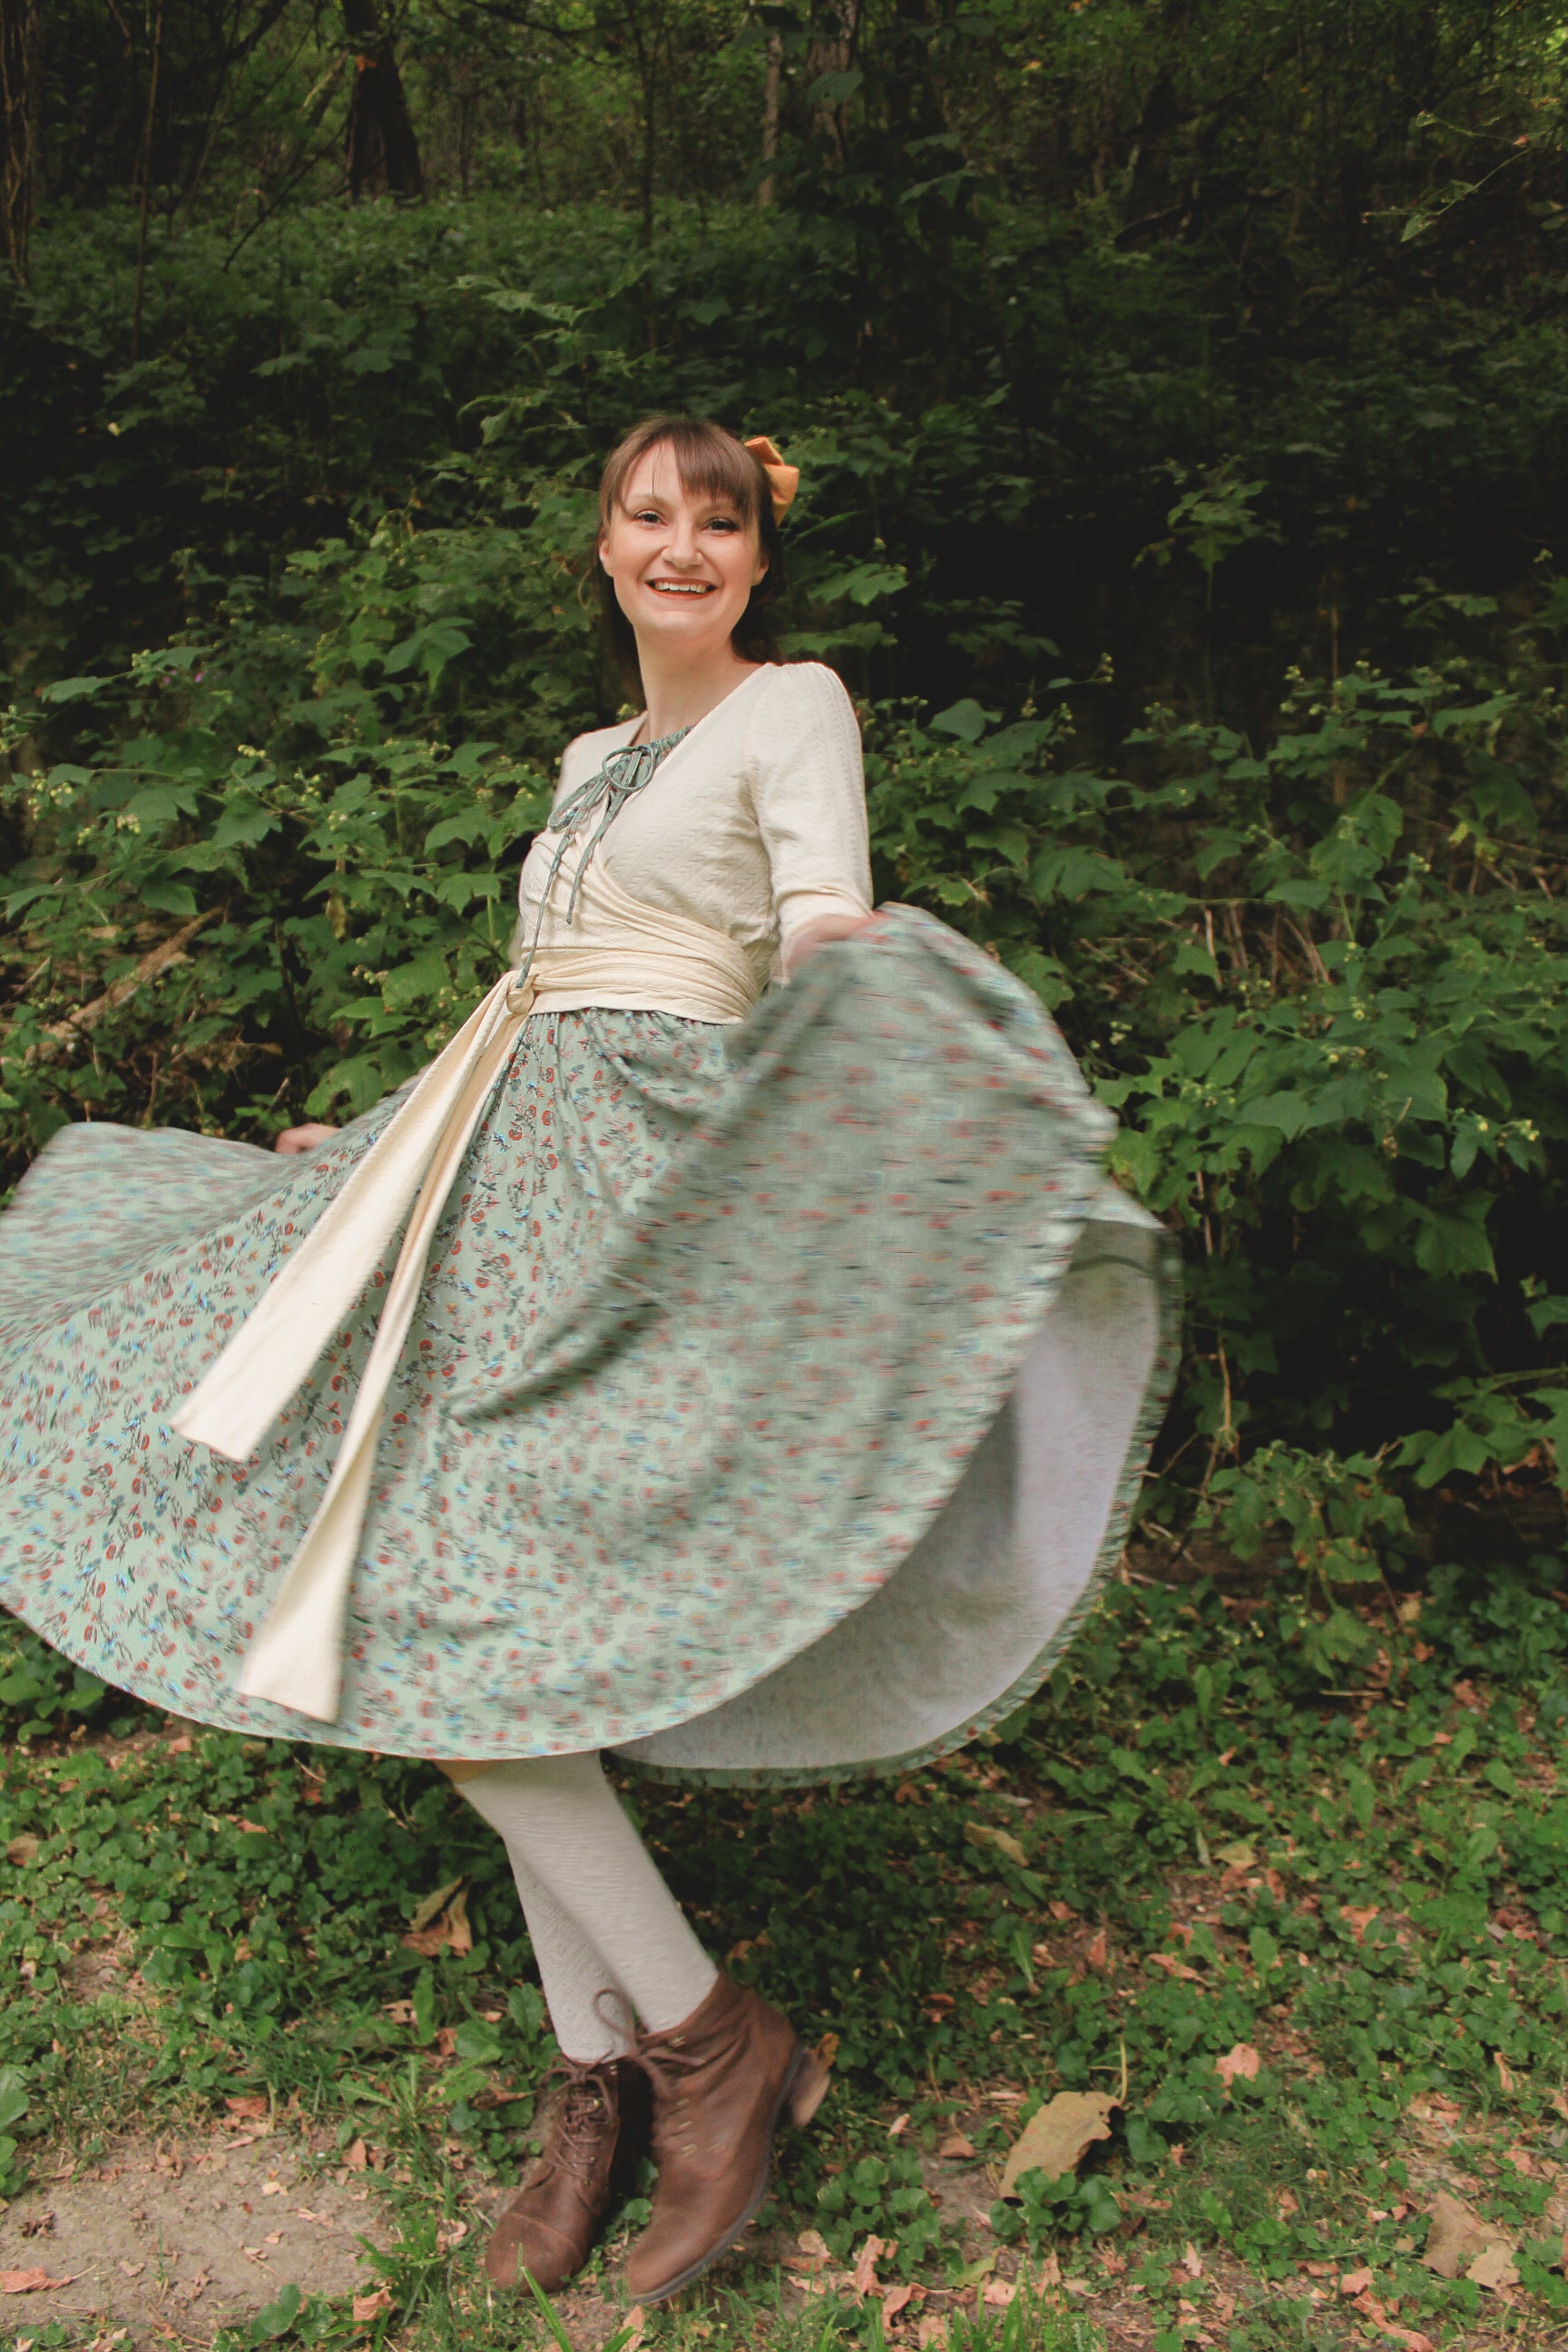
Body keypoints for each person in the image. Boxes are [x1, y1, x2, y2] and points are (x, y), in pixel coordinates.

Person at [0, 416, 1172, 2305]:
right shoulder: (587, 760)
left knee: (462, 1624)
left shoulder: (795, 707)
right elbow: (534, 994)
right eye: (650, 515)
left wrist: (842, 1064)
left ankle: (709, 2049)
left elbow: (816, 934)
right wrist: (376, 1135)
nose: (683, 545)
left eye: (719, 519)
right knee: (457, 1615)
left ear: (758, 559)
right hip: (486, 1180)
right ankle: (609, 2079)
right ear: (605, 547)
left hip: (641, 1192)